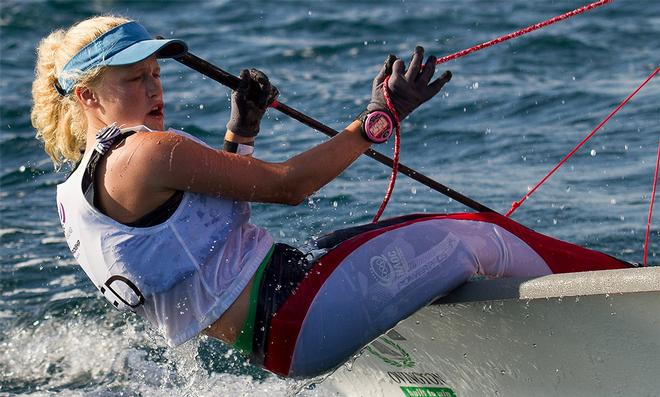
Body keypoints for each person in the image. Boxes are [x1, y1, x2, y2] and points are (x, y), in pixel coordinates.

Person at [32, 16, 632, 378]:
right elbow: (290, 187)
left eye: (156, 72)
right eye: (133, 78)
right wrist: (379, 119)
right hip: (295, 316)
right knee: (477, 236)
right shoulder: (147, 151)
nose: (153, 85)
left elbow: (201, 232)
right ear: (86, 96)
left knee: (371, 236)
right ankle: (633, 300)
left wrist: (241, 130)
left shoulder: (84, 187)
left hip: (276, 332)